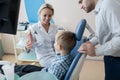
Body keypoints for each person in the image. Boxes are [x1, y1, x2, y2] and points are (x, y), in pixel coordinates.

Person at [2, 31, 75, 80]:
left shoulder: (59, 66)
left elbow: (50, 78)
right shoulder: (68, 56)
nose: (54, 43)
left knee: (19, 74)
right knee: (25, 67)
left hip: (43, 76)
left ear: (59, 47)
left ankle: (4, 72)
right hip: (45, 70)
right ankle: (5, 67)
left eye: (55, 42)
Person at [78, 0, 120, 80]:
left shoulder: (108, 4)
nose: (81, 6)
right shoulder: (99, 10)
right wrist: (89, 43)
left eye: (81, 1)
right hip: (110, 56)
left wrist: (95, 51)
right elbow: (100, 35)